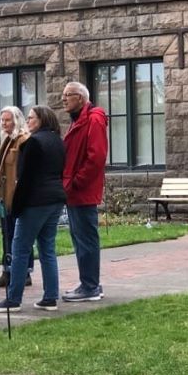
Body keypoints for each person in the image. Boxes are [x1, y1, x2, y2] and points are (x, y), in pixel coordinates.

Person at [0, 105, 67, 312]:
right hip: (56, 198)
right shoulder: (58, 141)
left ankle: (13, 299)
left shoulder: (33, 143)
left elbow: (25, 179)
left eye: (31, 118)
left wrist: (16, 207)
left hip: (35, 201)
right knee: (47, 249)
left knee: (20, 249)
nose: (29, 121)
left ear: (41, 119)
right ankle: (50, 297)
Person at [60, 81, 108, 303]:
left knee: (86, 238)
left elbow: (96, 156)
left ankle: (90, 286)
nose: (63, 99)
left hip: (82, 191)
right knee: (80, 238)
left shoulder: (93, 120)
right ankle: (88, 283)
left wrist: (77, 182)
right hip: (75, 190)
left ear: (80, 97)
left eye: (67, 95)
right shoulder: (79, 121)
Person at [0, 106, 33, 289]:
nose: (4, 123)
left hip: (16, 196)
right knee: (8, 235)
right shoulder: (7, 140)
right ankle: (8, 270)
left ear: (17, 120)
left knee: (18, 235)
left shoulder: (23, 140)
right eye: (2, 120)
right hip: (4, 196)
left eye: (8, 120)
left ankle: (23, 272)